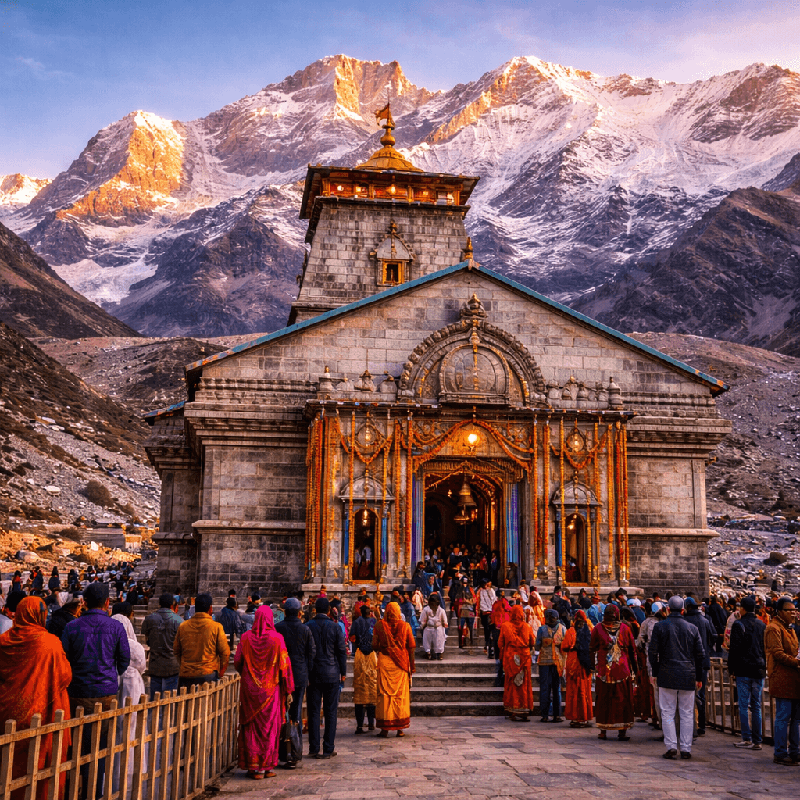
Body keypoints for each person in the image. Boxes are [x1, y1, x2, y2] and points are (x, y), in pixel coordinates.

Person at [62, 582, 130, 799]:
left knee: (76, 746)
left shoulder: (72, 627)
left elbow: (65, 659)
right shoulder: (116, 627)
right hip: (105, 695)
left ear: (84, 602)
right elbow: (124, 659)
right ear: (108, 603)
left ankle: (74, 791)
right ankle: (95, 792)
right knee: (100, 748)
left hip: (77, 695)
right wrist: (110, 675)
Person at [0, 596, 72, 800]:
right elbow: (65, 676)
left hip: (9, 712)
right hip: (42, 713)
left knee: (10, 764)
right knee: (41, 768)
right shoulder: (50, 643)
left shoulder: (4, 641)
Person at [233, 605, 294, 779]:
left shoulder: (245, 638)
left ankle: (253, 768)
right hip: (271, 690)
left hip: (250, 690)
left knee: (251, 727)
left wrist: (248, 675)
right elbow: (285, 666)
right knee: (269, 728)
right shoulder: (277, 639)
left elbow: (238, 662)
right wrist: (288, 687)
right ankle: (267, 767)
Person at [648, 595, 704, 760]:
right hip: (688, 673)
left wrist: (655, 672)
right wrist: (699, 676)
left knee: (667, 712)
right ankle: (686, 748)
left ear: (667, 610)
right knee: (687, 713)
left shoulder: (660, 627)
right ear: (682, 610)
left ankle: (671, 746)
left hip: (666, 673)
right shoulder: (692, 628)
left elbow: (653, 652)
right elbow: (700, 655)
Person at [306, 597, 347, 758]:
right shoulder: (335, 627)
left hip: (314, 674)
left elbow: (307, 652)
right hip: (331, 672)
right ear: (329, 610)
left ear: (315, 609)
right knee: (331, 712)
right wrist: (343, 673)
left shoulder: (308, 626)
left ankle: (314, 747)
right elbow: (341, 651)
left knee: (314, 711)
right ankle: (328, 747)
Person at [275, 597, 315, 760]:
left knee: (281, 710)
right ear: (299, 613)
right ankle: (296, 750)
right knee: (296, 711)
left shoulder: (277, 628)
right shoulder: (305, 630)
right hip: (299, 675)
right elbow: (311, 653)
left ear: (284, 612)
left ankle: (282, 749)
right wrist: (308, 672)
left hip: (280, 674)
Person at [591, 604, 637, 741]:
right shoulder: (624, 629)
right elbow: (632, 650)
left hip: (609, 671)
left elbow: (591, 648)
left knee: (605, 700)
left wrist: (593, 667)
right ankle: (619, 731)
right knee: (620, 699)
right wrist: (635, 669)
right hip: (617, 670)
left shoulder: (598, 628)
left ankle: (605, 731)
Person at [727, 595, 766, 751]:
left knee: (744, 704)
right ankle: (758, 740)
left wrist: (732, 668)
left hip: (743, 669)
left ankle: (746, 738)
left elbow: (734, 649)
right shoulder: (762, 625)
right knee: (756, 705)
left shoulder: (738, 624)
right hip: (758, 669)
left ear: (742, 608)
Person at [765, 596, 800, 765]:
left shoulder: (790, 629)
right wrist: (796, 662)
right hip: (782, 678)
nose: (793, 613)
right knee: (783, 717)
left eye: (794, 610)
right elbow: (777, 653)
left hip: (794, 679)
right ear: (780, 612)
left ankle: (795, 751)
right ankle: (780, 752)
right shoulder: (773, 628)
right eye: (789, 611)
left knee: (796, 718)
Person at [373, 602, 415, 737]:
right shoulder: (406, 626)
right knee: (400, 696)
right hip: (401, 664)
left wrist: (386, 648)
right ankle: (400, 728)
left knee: (385, 696)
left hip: (385, 662)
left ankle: (384, 729)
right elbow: (411, 647)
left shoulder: (379, 625)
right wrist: (412, 666)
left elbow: (374, 645)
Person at [174, 593, 230, 689]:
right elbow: (225, 653)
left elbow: (176, 651)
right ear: (210, 609)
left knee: (186, 703)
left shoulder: (183, 626)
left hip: (186, 675)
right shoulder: (216, 627)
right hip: (208, 674)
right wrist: (220, 672)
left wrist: (185, 666)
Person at [683, 596, 715, 737]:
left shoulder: (684, 622)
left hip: (688, 663)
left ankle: (691, 725)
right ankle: (701, 725)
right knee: (701, 695)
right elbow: (713, 637)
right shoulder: (705, 621)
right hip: (703, 663)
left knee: (687, 696)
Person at [141, 592, 183, 698]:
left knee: (155, 698)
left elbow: (146, 638)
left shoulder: (149, 619)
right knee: (170, 699)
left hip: (155, 663)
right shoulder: (179, 621)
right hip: (173, 665)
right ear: (172, 606)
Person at [497, 605, 535, 722]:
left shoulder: (505, 626)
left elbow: (500, 643)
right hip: (524, 659)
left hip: (510, 659)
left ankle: (512, 711)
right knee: (524, 684)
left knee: (511, 683)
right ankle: (524, 711)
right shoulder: (527, 626)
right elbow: (532, 641)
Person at [561, 609, 594, 728]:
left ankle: (575, 718)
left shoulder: (571, 631)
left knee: (574, 691)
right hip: (584, 664)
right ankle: (583, 718)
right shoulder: (589, 630)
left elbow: (564, 646)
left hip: (573, 663)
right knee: (584, 690)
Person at [349, 604, 378, 734]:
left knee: (360, 690)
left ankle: (360, 725)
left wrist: (358, 644)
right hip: (372, 655)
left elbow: (352, 638)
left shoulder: (356, 622)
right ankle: (371, 723)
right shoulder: (374, 622)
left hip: (360, 654)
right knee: (372, 688)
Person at [535, 608, 566, 723]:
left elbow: (537, 645)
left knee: (545, 688)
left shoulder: (542, 630)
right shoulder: (563, 629)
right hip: (557, 662)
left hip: (544, 662)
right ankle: (557, 715)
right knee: (556, 688)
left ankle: (545, 715)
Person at [419, 592, 448, 660]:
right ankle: (428, 653)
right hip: (429, 627)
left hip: (438, 627)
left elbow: (445, 622)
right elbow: (423, 620)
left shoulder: (441, 610)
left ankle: (440, 653)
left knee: (440, 640)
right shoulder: (426, 610)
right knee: (427, 640)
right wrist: (422, 626)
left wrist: (444, 624)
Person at [478, 580, 497, 656]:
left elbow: (493, 599)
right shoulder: (481, 591)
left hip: (491, 612)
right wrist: (485, 610)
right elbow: (481, 602)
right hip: (485, 613)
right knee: (487, 630)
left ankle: (491, 646)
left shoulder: (491, 590)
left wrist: (491, 609)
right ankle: (487, 645)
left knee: (491, 630)